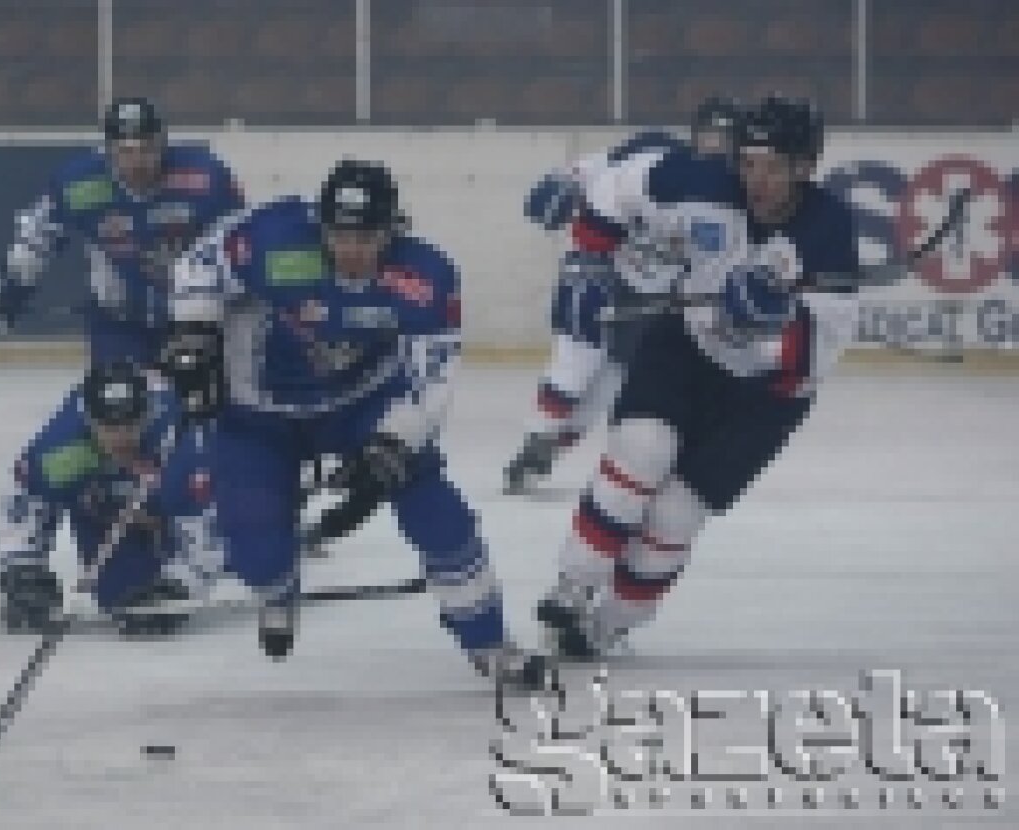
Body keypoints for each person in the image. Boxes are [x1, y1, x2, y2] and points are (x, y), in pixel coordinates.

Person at [168, 159, 548, 689]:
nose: (350, 250)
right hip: (257, 413)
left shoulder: (425, 277)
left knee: (442, 519)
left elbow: (431, 380)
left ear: (393, 228)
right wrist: (195, 337)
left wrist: (389, 448)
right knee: (255, 552)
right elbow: (198, 267)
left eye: (365, 237)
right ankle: (277, 589)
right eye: (337, 235)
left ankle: (491, 644)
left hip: (361, 404)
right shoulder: (272, 235)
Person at [534, 95, 860, 659]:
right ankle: (572, 585)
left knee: (676, 512)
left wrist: (772, 320)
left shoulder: (829, 229)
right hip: (686, 346)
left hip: (765, 396)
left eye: (774, 167)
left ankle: (609, 624)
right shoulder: (698, 180)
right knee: (641, 450)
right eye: (748, 163)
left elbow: (814, 356)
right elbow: (615, 185)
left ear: (806, 167)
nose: (756, 181)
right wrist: (589, 260)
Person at [504, 97, 745, 493]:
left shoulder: (736, 196)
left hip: (653, 294)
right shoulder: (654, 153)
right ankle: (540, 431)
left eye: (725, 139)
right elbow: (594, 171)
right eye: (709, 136)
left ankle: (549, 446)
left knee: (612, 379)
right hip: (601, 264)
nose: (716, 147)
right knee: (580, 349)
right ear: (695, 135)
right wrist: (563, 181)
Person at [0, 97, 244, 367]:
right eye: (125, 151)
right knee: (120, 400)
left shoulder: (205, 175)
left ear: (163, 144)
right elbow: (36, 241)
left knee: (196, 400)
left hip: (192, 319)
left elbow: (240, 240)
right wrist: (6, 292)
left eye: (147, 149)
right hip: (118, 322)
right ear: (107, 150)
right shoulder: (79, 183)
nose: (137, 163)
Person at [0, 360, 225, 637]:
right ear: (88, 418)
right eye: (108, 428)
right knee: (119, 598)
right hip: (108, 508)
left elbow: (208, 520)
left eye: (130, 426)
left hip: (191, 503)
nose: (120, 438)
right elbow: (25, 500)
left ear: (148, 413)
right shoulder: (62, 448)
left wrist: (180, 585)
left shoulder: (181, 443)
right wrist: (23, 567)